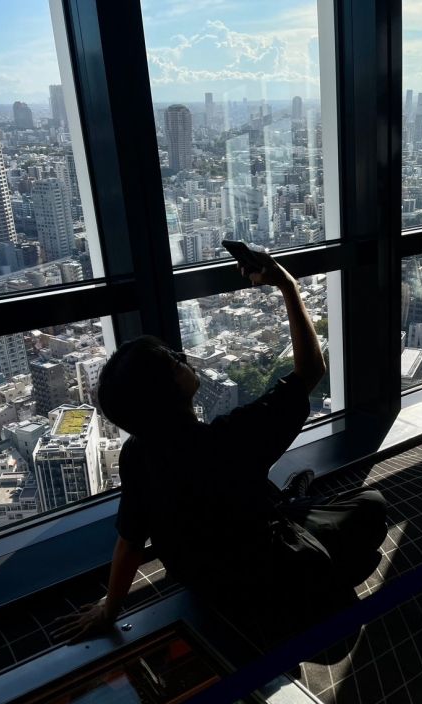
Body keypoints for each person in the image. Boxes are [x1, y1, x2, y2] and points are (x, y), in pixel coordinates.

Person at [54, 252, 387, 647]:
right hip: (273, 572)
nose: (183, 357)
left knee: (302, 510)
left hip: (209, 586)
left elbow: (129, 539)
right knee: (372, 507)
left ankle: (296, 507)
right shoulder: (230, 440)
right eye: (173, 361)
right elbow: (310, 372)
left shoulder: (137, 455)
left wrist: (110, 609)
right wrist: (288, 285)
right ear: (167, 392)